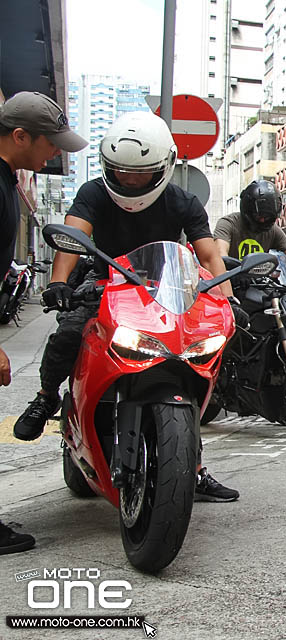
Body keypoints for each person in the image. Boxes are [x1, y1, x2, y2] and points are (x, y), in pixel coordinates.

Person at [12, 111, 242, 502]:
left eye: (141, 173)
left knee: (210, 348)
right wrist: (57, 284)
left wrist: (228, 298)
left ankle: (194, 467)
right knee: (69, 331)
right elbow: (72, 239)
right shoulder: (93, 193)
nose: (131, 180)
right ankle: (47, 395)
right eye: (121, 172)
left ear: (164, 166)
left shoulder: (182, 201)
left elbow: (208, 255)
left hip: (164, 287)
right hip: (104, 285)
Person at [0, 91, 88, 554]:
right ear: (20, 136)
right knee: (70, 331)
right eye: (50, 143)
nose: (55, 152)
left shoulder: (7, 180)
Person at [213, 179, 286, 274]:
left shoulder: (273, 230)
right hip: (229, 282)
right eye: (260, 216)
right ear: (248, 210)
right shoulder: (227, 224)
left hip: (258, 284)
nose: (264, 221)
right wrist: (233, 273)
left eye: (269, 217)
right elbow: (220, 255)